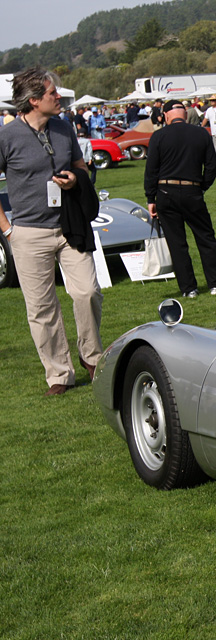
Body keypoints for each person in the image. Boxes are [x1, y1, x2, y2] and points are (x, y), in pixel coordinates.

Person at [0, 67, 103, 396]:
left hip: (69, 227)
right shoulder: (7, 137)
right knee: (42, 308)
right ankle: (59, 374)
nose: (59, 97)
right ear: (33, 101)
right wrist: (8, 231)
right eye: (52, 93)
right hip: (28, 233)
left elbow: (80, 166)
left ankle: (92, 356)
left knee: (88, 292)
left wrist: (74, 180)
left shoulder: (63, 127)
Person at [145, 100, 216, 298]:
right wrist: (201, 187)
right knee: (205, 237)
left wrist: (151, 198)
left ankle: (188, 288)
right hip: (191, 191)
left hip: (165, 192)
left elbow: (151, 171)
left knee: (177, 243)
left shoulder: (158, 136)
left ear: (166, 116)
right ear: (185, 114)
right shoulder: (201, 133)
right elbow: (211, 167)